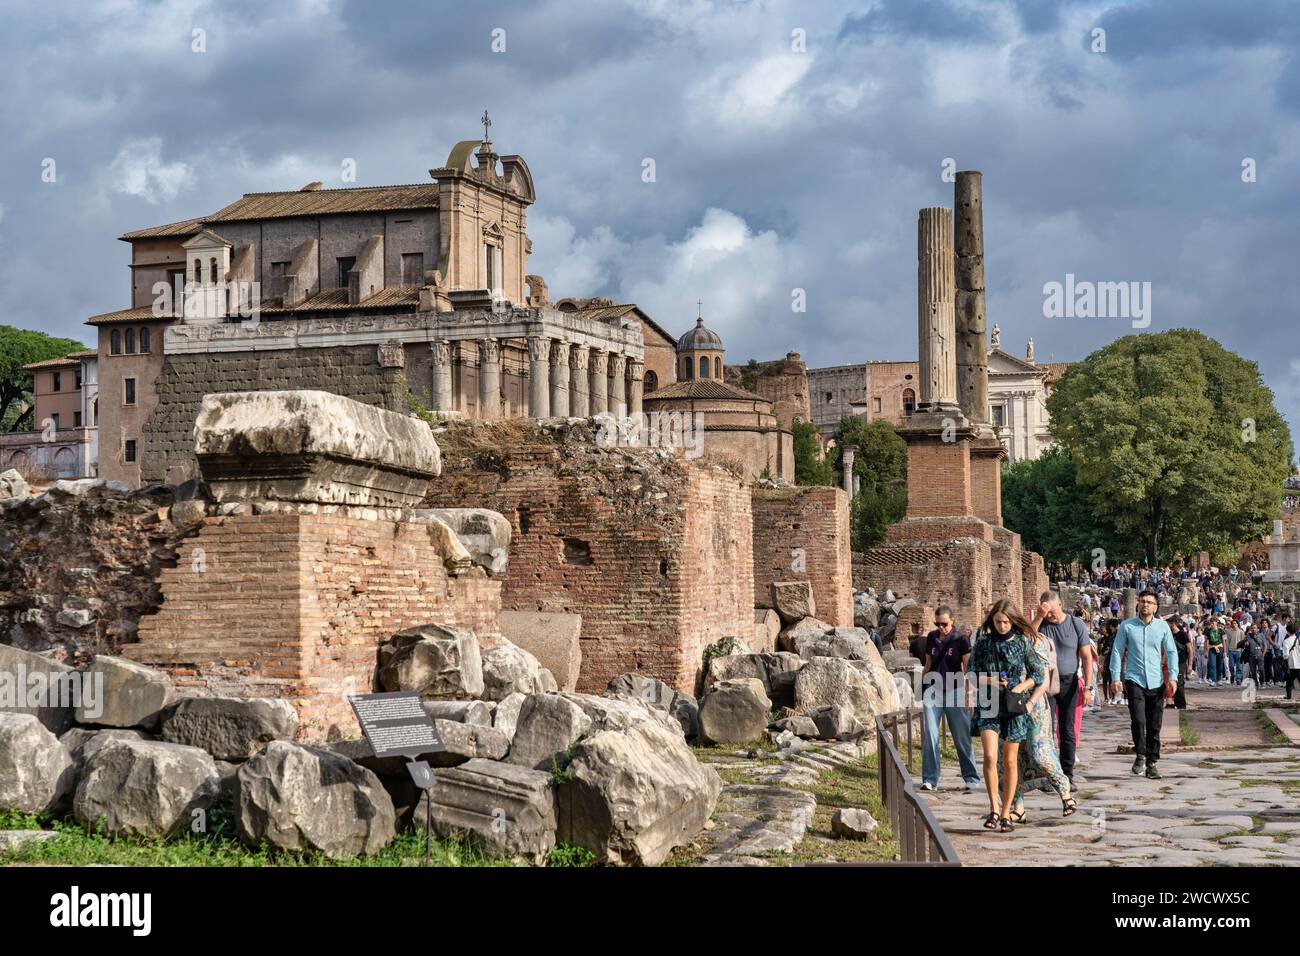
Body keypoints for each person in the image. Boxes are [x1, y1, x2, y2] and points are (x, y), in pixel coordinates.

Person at [969, 598, 1045, 833]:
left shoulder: (1022, 642)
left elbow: (1038, 674)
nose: (1002, 626)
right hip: (989, 702)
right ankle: (993, 808)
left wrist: (1021, 687)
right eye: (997, 621)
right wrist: (991, 680)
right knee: (991, 757)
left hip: (1013, 704)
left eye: (1005, 622)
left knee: (1010, 761)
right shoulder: (983, 642)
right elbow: (970, 675)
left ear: (1013, 621)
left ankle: (1006, 813)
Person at [1009, 625, 1077, 822]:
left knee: (1039, 753)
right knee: (1011, 759)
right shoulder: (994, 643)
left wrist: (1029, 700)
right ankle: (1018, 807)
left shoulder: (1034, 641)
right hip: (1007, 705)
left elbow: (1043, 678)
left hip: (1034, 705)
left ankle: (1064, 792)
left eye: (1006, 622)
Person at [1109, 590, 1178, 779]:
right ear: (1138, 604)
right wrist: (1116, 677)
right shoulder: (1127, 626)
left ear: (1155, 606)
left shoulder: (1162, 627)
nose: (1145, 605)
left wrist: (1173, 677)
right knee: (1139, 720)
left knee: (1155, 724)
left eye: (1149, 602)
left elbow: (1171, 652)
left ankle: (1152, 762)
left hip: (1156, 681)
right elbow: (1116, 651)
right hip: (1134, 679)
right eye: (1142, 601)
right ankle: (1140, 753)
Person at [1035, 591, 1094, 788]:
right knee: (1046, 729)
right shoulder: (1042, 623)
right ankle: (1049, 773)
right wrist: (1039, 616)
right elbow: (1027, 639)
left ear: (1059, 604)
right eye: (1046, 612)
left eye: (1051, 611)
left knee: (1067, 730)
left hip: (1069, 681)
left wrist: (1088, 686)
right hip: (1047, 681)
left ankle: (1067, 774)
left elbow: (1086, 657)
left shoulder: (1076, 624)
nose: (1050, 615)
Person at [919, 606, 981, 792]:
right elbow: (928, 663)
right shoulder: (931, 637)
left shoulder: (961, 639)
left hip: (955, 690)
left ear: (952, 621)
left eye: (944, 624)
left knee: (961, 736)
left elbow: (967, 668)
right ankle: (930, 778)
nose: (940, 627)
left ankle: (970, 776)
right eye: (937, 624)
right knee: (930, 734)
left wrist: (969, 694)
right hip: (933, 690)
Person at [1285, 623, 1300, 701]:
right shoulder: (1299, 639)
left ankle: (1289, 696)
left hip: (1292, 665)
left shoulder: (1286, 641)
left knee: (1289, 682)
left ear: (1287, 631)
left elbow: (1285, 655)